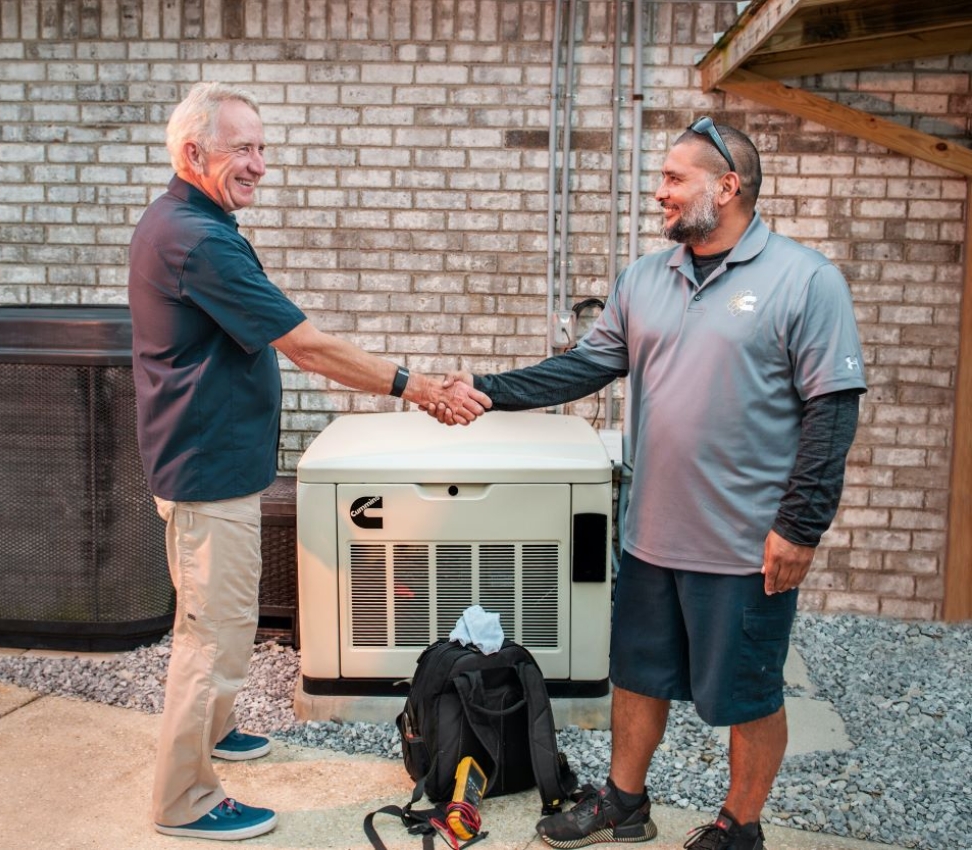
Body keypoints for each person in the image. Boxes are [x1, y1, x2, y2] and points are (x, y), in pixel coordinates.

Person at [432, 118, 867, 850]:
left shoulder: (805, 279)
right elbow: (583, 367)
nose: (658, 192)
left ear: (727, 187)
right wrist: (486, 389)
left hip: (743, 546)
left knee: (748, 693)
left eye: (674, 179)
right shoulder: (645, 278)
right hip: (652, 536)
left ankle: (740, 825)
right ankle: (624, 803)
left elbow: (832, 412)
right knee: (638, 677)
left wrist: (800, 526)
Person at [128, 81, 491, 842]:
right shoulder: (195, 238)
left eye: (264, 147)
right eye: (244, 149)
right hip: (205, 476)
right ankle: (184, 800)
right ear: (194, 153)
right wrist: (416, 387)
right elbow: (306, 344)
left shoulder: (195, 220)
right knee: (213, 637)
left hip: (222, 469)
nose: (261, 163)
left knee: (224, 621)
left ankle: (217, 732)